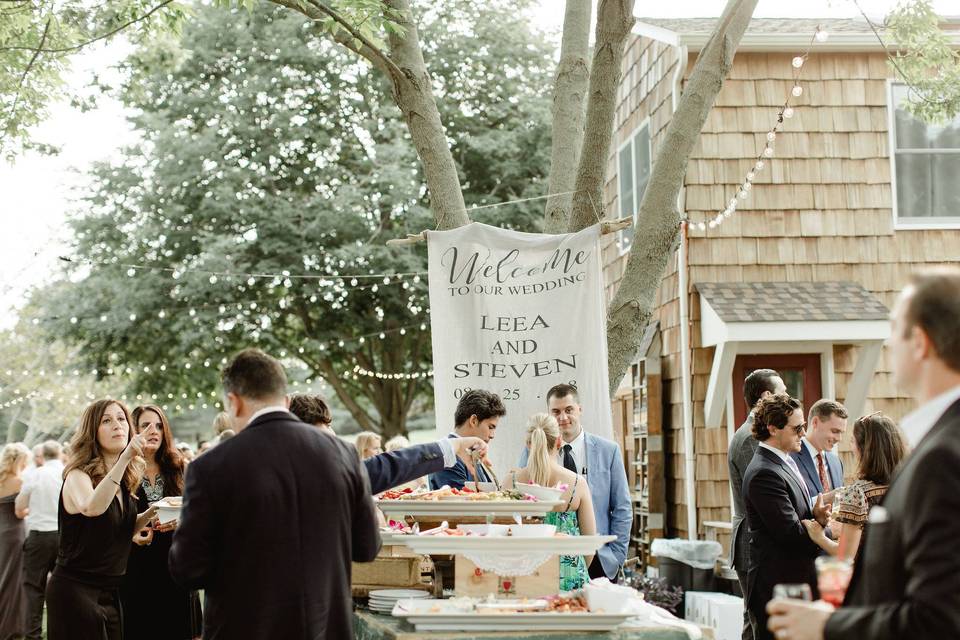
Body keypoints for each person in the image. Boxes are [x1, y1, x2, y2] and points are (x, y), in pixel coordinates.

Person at [768, 267, 960, 640]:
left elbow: (940, 619)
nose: (890, 345)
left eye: (895, 332)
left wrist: (829, 625)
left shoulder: (943, 459)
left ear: (920, 343)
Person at [169, 348, 380, 639]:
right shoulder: (344, 454)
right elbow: (367, 547)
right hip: (325, 629)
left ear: (234, 402)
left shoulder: (210, 468)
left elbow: (188, 569)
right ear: (287, 400)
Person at [45, 399, 158, 640]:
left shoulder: (123, 480)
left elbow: (120, 528)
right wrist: (125, 458)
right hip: (74, 590)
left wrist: (153, 512)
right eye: (107, 421)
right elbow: (92, 508)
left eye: (121, 419)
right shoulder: (78, 474)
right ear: (92, 432)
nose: (118, 425)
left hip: (110, 591)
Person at [519, 384, 631, 581]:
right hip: (546, 558)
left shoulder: (609, 451)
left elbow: (622, 507)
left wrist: (616, 555)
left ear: (580, 409)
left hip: (600, 557)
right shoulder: (532, 451)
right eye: (556, 411)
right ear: (549, 414)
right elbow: (522, 499)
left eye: (569, 410)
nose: (563, 417)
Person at [743, 394, 829, 640]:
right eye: (797, 428)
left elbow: (796, 515)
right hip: (777, 587)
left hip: (794, 581)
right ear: (773, 428)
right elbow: (790, 534)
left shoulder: (785, 461)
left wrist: (815, 514)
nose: (803, 433)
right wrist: (824, 528)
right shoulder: (764, 472)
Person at [289, 393, 488, 495]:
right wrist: (452, 446)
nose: (332, 434)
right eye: (326, 426)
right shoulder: (332, 473)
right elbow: (386, 467)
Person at [120, 405, 201, 640]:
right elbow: (111, 520)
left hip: (176, 565)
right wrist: (131, 532)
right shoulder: (122, 471)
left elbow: (200, 512)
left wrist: (183, 520)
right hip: (136, 568)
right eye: (145, 425)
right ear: (132, 431)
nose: (153, 431)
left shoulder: (179, 468)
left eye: (158, 426)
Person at [506, 414, 597, 591]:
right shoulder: (577, 483)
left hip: (523, 574)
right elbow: (589, 545)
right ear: (559, 442)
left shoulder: (511, 482)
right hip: (569, 576)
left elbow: (502, 534)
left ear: (528, 444)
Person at [802, 412, 907, 564]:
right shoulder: (906, 483)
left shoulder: (857, 492)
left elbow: (846, 555)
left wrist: (819, 537)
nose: (851, 447)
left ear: (864, 448)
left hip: (871, 577)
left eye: (853, 441)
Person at [728, 368, 786, 640]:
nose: (787, 397)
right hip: (752, 542)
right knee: (759, 622)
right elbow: (765, 495)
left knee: (754, 622)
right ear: (767, 395)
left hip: (758, 542)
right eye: (783, 391)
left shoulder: (758, 433)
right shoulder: (751, 439)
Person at [15, 440, 64, 640]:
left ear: (42, 456)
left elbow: (19, 507)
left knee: (34, 589)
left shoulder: (35, 475)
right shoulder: (67, 473)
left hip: (38, 536)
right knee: (62, 589)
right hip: (62, 537)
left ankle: (33, 636)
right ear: (60, 454)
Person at [430, 389, 504, 490]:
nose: (492, 435)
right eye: (490, 427)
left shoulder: (470, 452)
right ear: (473, 421)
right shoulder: (449, 456)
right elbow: (461, 502)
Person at [789, 400, 847, 504]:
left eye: (842, 433)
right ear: (815, 422)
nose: (839, 439)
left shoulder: (836, 462)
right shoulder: (790, 458)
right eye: (835, 431)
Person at [0, 443, 30, 640]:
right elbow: (21, 512)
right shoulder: (20, 482)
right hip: (15, 533)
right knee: (13, 580)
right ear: (20, 461)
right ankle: (10, 628)